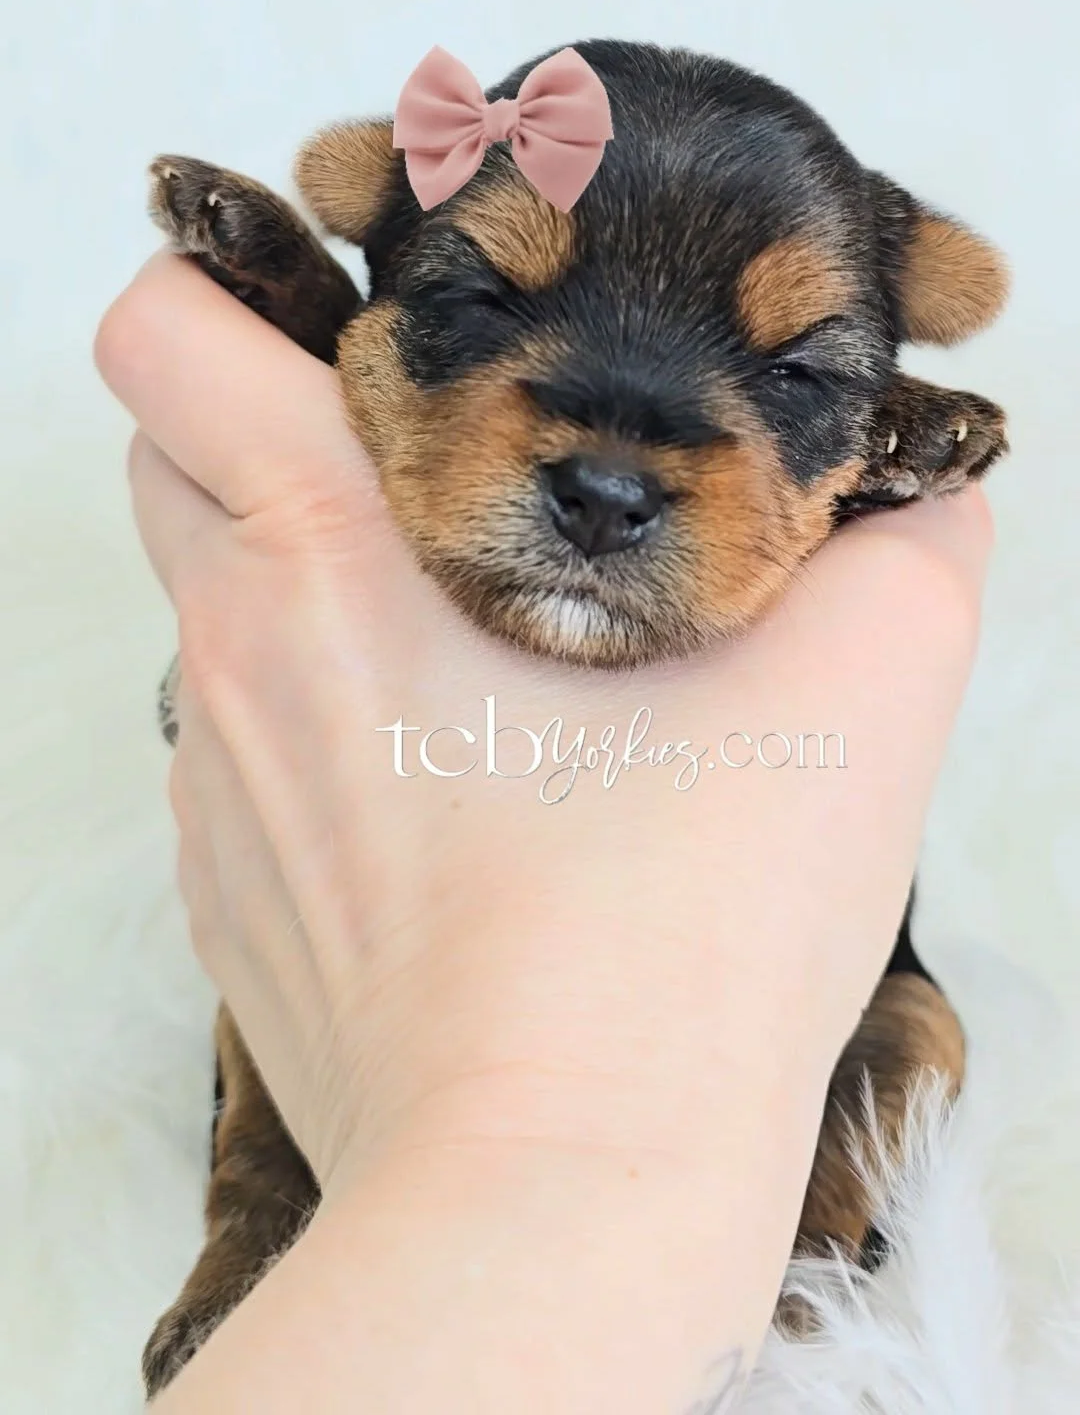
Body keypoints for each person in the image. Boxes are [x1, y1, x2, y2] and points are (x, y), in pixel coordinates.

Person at [94, 250, 993, 1414]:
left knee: (901, 1041)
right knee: (272, 1019)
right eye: (486, 301)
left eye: (796, 370)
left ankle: (794, 1287)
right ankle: (259, 1221)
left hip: (794, 1033)